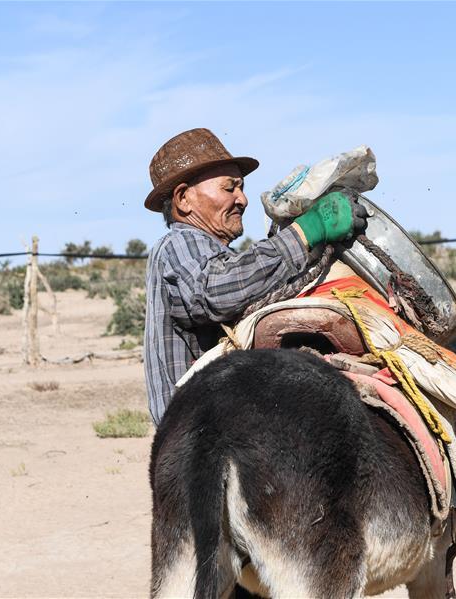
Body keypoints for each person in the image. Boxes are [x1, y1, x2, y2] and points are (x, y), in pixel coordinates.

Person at [142, 128, 367, 425]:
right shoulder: (180, 243)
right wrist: (305, 232)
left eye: (242, 187)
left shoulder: (213, 252)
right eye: (229, 188)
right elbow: (216, 292)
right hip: (202, 432)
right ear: (184, 199)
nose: (243, 199)